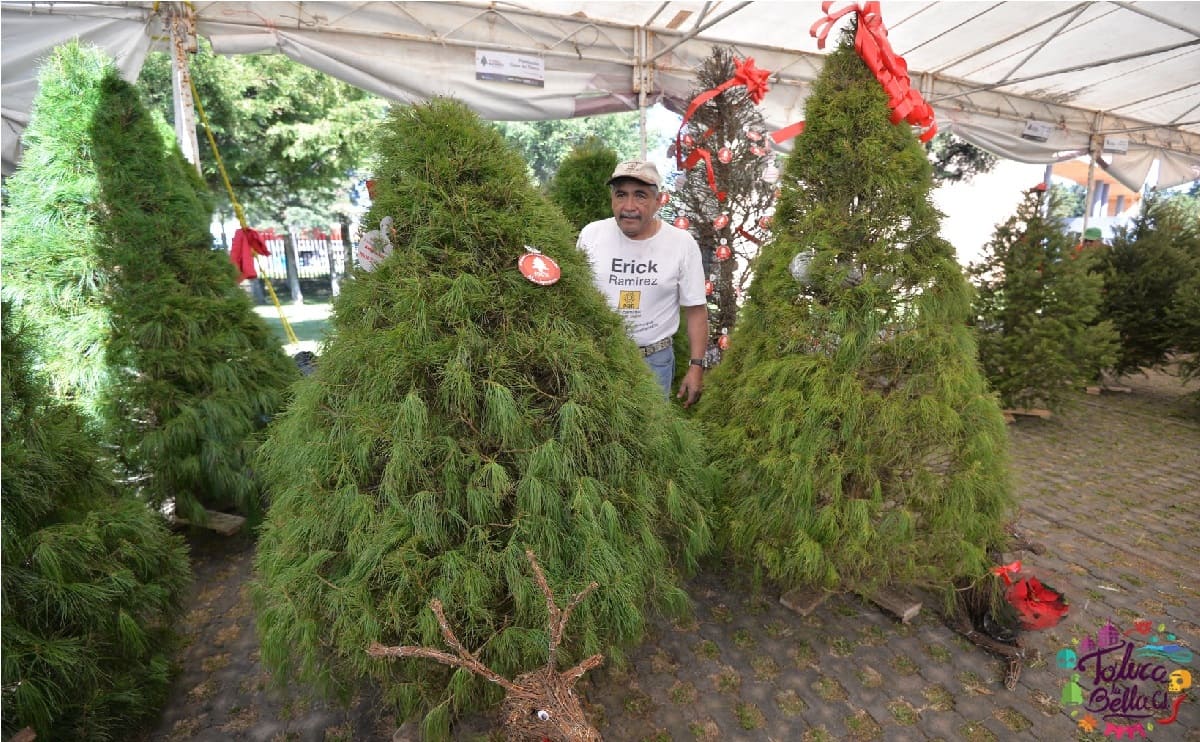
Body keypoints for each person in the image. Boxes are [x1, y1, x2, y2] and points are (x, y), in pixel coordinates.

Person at [577, 160, 708, 407]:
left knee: (649, 436)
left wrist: (696, 366)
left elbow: (696, 310)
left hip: (653, 362)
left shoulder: (681, 244)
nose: (629, 207)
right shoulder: (591, 235)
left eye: (640, 196)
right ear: (612, 199)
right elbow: (576, 298)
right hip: (599, 356)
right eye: (621, 195)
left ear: (658, 201)